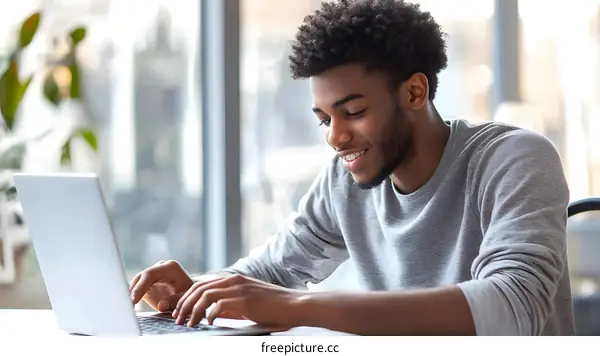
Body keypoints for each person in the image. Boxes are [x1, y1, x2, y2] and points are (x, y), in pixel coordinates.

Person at [129, 0, 574, 335]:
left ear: (414, 93)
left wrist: (298, 307)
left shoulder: (515, 159)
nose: (335, 137)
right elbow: (271, 273)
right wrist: (199, 291)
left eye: (353, 111)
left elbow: (513, 306)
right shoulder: (346, 179)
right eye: (324, 119)